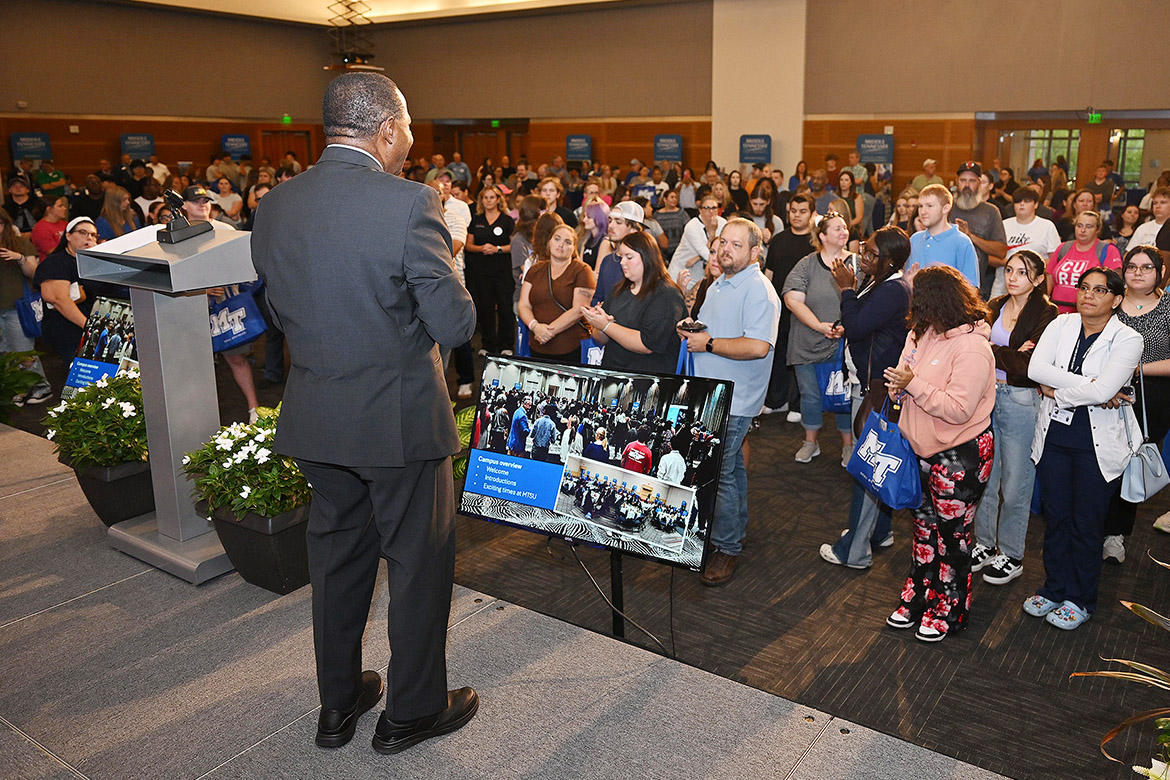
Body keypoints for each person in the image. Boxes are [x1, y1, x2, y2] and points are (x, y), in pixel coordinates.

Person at [250, 72, 478, 753]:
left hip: (318, 414)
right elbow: (455, 322)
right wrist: (452, 258)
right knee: (416, 563)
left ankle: (338, 702)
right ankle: (411, 711)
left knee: (339, 559)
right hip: (399, 421)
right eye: (408, 126)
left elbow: (275, 309)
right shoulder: (412, 203)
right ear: (386, 130)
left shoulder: (277, 204)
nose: (411, 139)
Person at [1024, 267, 1142, 630]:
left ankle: (1080, 598)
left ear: (1117, 299)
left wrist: (1057, 390)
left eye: (1100, 290)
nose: (1089, 295)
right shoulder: (1060, 325)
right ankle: (1053, 587)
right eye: (1084, 287)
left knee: (1087, 523)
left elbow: (1104, 392)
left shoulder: (1128, 338)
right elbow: (1034, 369)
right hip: (1055, 439)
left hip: (1096, 446)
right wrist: (1090, 387)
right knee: (1056, 518)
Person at [883, 266, 995, 642]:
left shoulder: (973, 347)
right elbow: (905, 370)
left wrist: (914, 386)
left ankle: (951, 607)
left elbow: (959, 408)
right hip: (919, 450)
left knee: (953, 537)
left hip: (959, 455)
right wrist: (899, 387)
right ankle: (919, 596)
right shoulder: (922, 332)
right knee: (923, 530)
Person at [678, 218, 781, 585]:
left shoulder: (759, 290)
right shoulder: (720, 282)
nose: (725, 250)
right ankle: (730, 537)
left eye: (736, 245)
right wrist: (693, 330)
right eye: (723, 242)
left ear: (755, 252)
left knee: (719, 473)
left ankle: (725, 547)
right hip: (713, 391)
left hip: (735, 398)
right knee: (731, 469)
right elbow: (712, 330)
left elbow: (757, 346)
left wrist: (706, 343)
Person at [819, 226, 912, 569]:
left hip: (876, 388)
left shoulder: (893, 289)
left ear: (889, 260)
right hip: (874, 383)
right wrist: (849, 315)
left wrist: (846, 289)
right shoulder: (883, 284)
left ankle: (853, 551)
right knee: (878, 462)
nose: (864, 258)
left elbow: (859, 326)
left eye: (872, 254)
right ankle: (879, 532)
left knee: (867, 468)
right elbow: (863, 323)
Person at [968, 251, 1058, 585]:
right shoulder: (994, 304)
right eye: (1009, 270)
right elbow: (973, 345)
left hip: (1021, 399)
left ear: (1037, 279)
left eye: (1022, 272)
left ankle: (1011, 553)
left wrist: (992, 352)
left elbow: (1028, 367)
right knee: (987, 474)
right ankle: (984, 542)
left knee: (1017, 480)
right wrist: (1008, 355)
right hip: (987, 394)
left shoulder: (1047, 312)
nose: (1013, 277)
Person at [1102, 246, 1170, 560]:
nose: (1138, 272)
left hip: (1152, 397)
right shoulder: (1110, 302)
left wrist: (1136, 368)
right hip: (1104, 394)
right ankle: (1092, 526)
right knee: (1101, 461)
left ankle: (1116, 534)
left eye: (1147, 267)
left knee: (1131, 466)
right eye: (1132, 266)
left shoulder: (1168, 306)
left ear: (1161, 273)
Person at [782, 211, 856, 464]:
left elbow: (867, 300)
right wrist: (819, 326)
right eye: (837, 228)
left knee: (843, 395)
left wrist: (847, 326)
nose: (843, 232)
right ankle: (810, 442)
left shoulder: (857, 263)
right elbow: (792, 299)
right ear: (822, 236)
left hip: (844, 343)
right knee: (810, 394)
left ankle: (848, 445)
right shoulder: (807, 264)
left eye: (844, 227)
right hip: (806, 342)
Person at [580, 229, 686, 375]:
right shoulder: (619, 289)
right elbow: (600, 338)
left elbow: (646, 344)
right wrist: (599, 323)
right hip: (613, 375)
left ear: (647, 257)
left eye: (629, 257)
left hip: (646, 381)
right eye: (621, 256)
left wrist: (607, 325)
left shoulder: (667, 295)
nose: (622, 262)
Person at [764, 193, 816, 419]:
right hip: (779, 309)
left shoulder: (815, 243)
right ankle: (777, 401)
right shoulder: (778, 240)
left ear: (812, 214)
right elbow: (769, 274)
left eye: (802, 211)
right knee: (778, 356)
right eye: (793, 211)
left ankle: (797, 405)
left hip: (806, 310)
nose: (797, 215)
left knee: (801, 359)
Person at [518, 220, 596, 364]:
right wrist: (535, 326)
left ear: (574, 248)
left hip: (572, 349)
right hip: (537, 346)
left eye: (567, 242)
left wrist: (548, 332)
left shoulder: (582, 271)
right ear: (549, 242)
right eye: (557, 239)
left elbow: (579, 309)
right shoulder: (535, 270)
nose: (561, 245)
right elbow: (523, 304)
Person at [0, 209, 52, 405]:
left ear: (5, 224)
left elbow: (35, 273)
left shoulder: (20, 243)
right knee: (5, 354)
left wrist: (19, 258)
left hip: (17, 308)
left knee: (24, 353)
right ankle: (19, 389)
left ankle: (41, 387)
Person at [464, 184, 515, 356]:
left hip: (503, 272)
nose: (488, 200)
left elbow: (514, 245)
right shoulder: (477, 220)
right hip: (482, 273)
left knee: (505, 307)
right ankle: (488, 345)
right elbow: (468, 245)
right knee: (485, 308)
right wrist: (482, 249)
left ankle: (506, 344)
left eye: (492, 197)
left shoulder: (507, 220)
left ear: (498, 199)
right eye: (485, 197)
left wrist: (498, 248)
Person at [1046, 210, 1122, 314]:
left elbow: (1115, 285)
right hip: (1056, 311)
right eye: (1079, 225)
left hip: (1090, 312)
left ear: (1098, 229)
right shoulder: (1063, 248)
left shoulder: (1108, 250)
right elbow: (1049, 278)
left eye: (1089, 226)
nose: (1083, 230)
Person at [950, 162, 1008, 298]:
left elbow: (1001, 251)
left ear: (979, 183)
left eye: (972, 181)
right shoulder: (946, 208)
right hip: (945, 286)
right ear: (957, 182)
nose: (967, 185)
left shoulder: (991, 212)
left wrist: (970, 236)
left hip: (977, 289)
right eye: (963, 180)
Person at [908, 184, 979, 288]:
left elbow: (971, 288)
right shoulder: (914, 239)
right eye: (920, 206)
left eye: (930, 206)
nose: (923, 212)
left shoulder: (961, 242)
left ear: (945, 208)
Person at [996, 188, 1061, 297]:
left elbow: (1055, 259)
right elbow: (991, 256)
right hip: (1001, 286)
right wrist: (1010, 264)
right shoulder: (1004, 225)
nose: (1021, 204)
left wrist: (1028, 265)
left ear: (1036, 205)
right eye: (1018, 201)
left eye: (1027, 201)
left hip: (1034, 287)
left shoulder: (1047, 226)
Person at [669, 194, 726, 296]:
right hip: (682, 271)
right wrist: (712, 233)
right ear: (700, 210)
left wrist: (697, 257)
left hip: (700, 275)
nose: (711, 211)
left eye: (714, 208)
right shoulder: (692, 226)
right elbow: (708, 255)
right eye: (707, 208)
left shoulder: (723, 223)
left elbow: (719, 250)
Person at [591, 201, 642, 306]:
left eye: (618, 222)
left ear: (633, 229)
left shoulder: (641, 262)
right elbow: (598, 297)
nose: (611, 226)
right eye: (610, 221)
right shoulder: (607, 260)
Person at [31, 196, 69, 261]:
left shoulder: (65, 224)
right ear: (49, 209)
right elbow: (52, 252)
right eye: (60, 206)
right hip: (53, 263)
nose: (64, 208)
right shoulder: (41, 229)